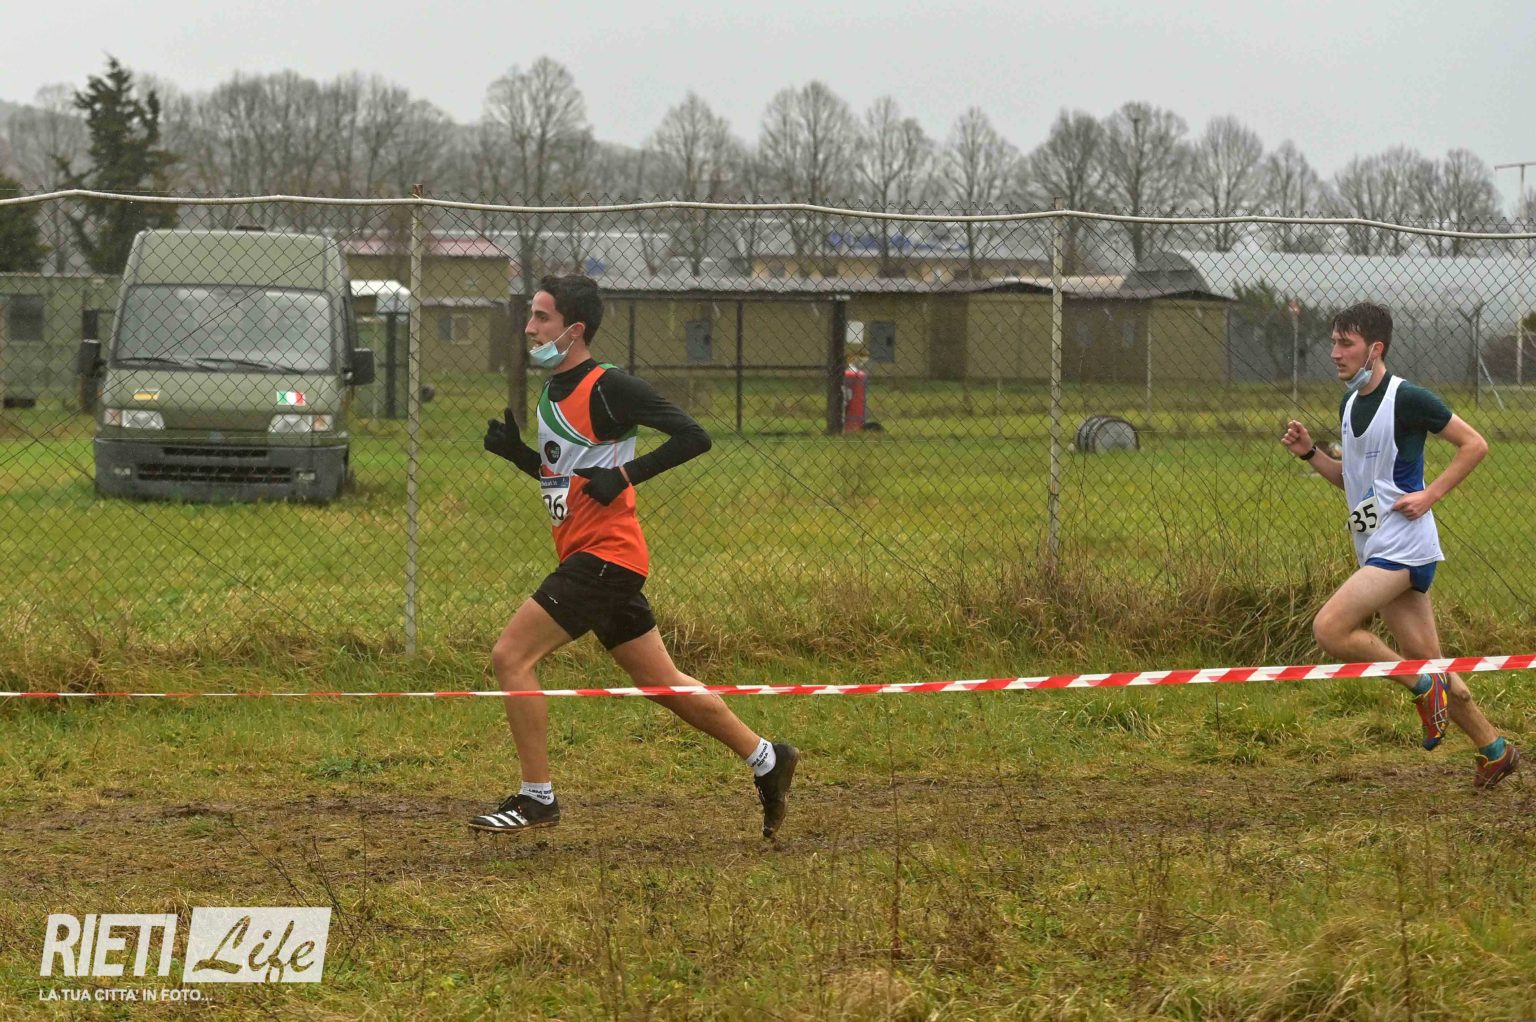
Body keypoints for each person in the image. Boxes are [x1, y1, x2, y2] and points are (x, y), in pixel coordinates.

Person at [472, 275, 800, 837]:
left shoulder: (608, 386)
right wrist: (520, 456)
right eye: (531, 316)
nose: (529, 328)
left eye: (542, 317)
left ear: (574, 330)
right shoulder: (553, 391)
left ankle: (536, 799)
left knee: (511, 656)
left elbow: (694, 437)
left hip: (605, 557)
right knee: (661, 681)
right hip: (593, 557)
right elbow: (569, 480)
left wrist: (625, 474)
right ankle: (768, 758)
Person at [1280, 301, 1517, 788]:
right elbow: (1350, 480)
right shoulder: (1349, 404)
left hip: (1404, 548)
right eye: (1333, 342)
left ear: (1375, 348)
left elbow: (1474, 444)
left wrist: (1431, 495)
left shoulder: (1408, 398)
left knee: (1330, 629)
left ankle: (1422, 686)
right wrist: (1310, 454)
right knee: (1434, 664)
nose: (1334, 352)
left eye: (1346, 344)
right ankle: (1494, 749)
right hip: (1374, 548)